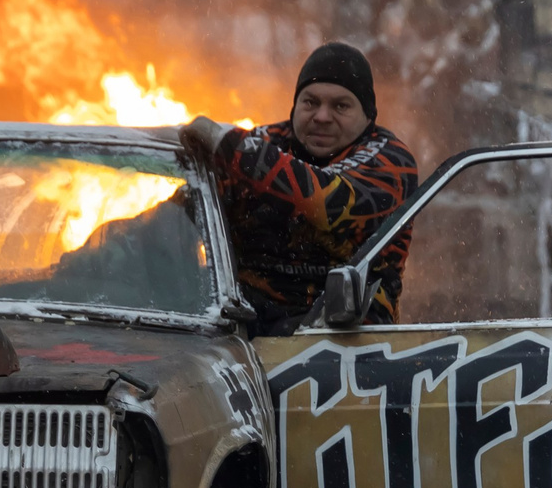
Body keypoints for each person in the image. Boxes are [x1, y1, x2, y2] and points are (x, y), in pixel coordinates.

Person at [180, 42, 419, 333]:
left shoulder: (393, 162)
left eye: (340, 106)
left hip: (345, 345)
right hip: (237, 336)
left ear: (368, 115)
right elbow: (183, 217)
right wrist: (118, 246)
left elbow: (328, 202)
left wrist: (232, 147)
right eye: (310, 102)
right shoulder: (261, 144)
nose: (321, 116)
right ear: (295, 106)